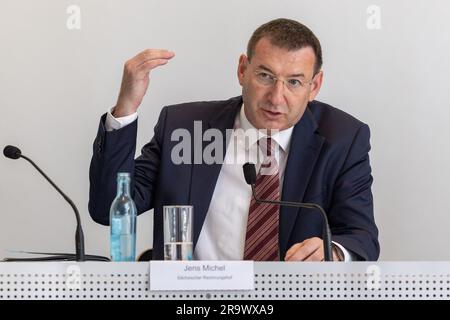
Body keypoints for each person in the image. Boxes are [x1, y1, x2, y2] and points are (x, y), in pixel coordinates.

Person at [89, 18, 379, 261]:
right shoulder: (187, 129)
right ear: (243, 70)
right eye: (265, 76)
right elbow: (108, 207)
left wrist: (334, 253)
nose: (277, 98)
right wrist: (125, 109)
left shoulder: (342, 139)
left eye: (294, 82)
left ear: (314, 86)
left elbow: (361, 237)